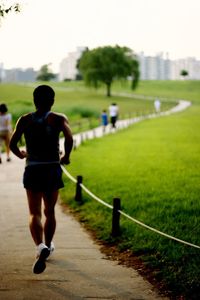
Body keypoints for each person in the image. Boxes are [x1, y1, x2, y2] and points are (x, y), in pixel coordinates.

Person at [9, 85, 73, 274]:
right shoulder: (59, 119)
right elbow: (69, 138)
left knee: (34, 213)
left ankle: (40, 247)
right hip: (52, 168)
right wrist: (66, 156)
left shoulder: (25, 120)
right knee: (50, 211)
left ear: (34, 100)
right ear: (52, 100)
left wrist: (20, 155)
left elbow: (12, 144)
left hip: (33, 169)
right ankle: (48, 244)